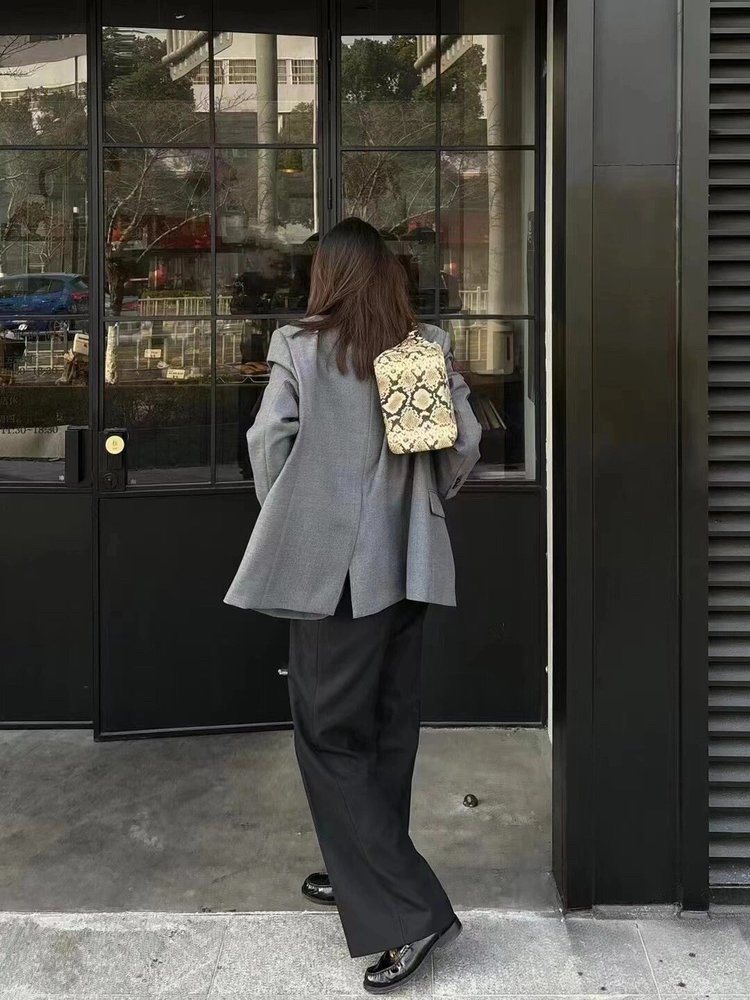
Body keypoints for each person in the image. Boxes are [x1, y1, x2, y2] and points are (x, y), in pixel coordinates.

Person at [224, 217, 482, 994]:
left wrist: (295, 519)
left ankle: (409, 910)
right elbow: (464, 444)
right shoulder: (418, 346)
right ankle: (362, 874)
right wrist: (421, 507)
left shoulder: (302, 348)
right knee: (387, 731)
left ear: (327, 277)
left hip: (334, 574)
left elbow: (269, 443)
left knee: (330, 737)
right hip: (408, 565)